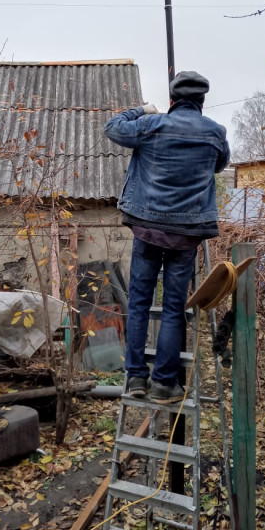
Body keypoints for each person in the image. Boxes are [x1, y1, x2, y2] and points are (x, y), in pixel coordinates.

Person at [104, 71, 230, 404]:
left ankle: (135, 379)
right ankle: (163, 384)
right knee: (175, 309)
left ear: (172, 100)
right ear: (201, 102)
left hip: (147, 229)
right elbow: (219, 165)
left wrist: (142, 109)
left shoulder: (151, 125)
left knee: (139, 304)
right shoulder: (216, 133)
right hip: (186, 235)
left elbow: (112, 128)